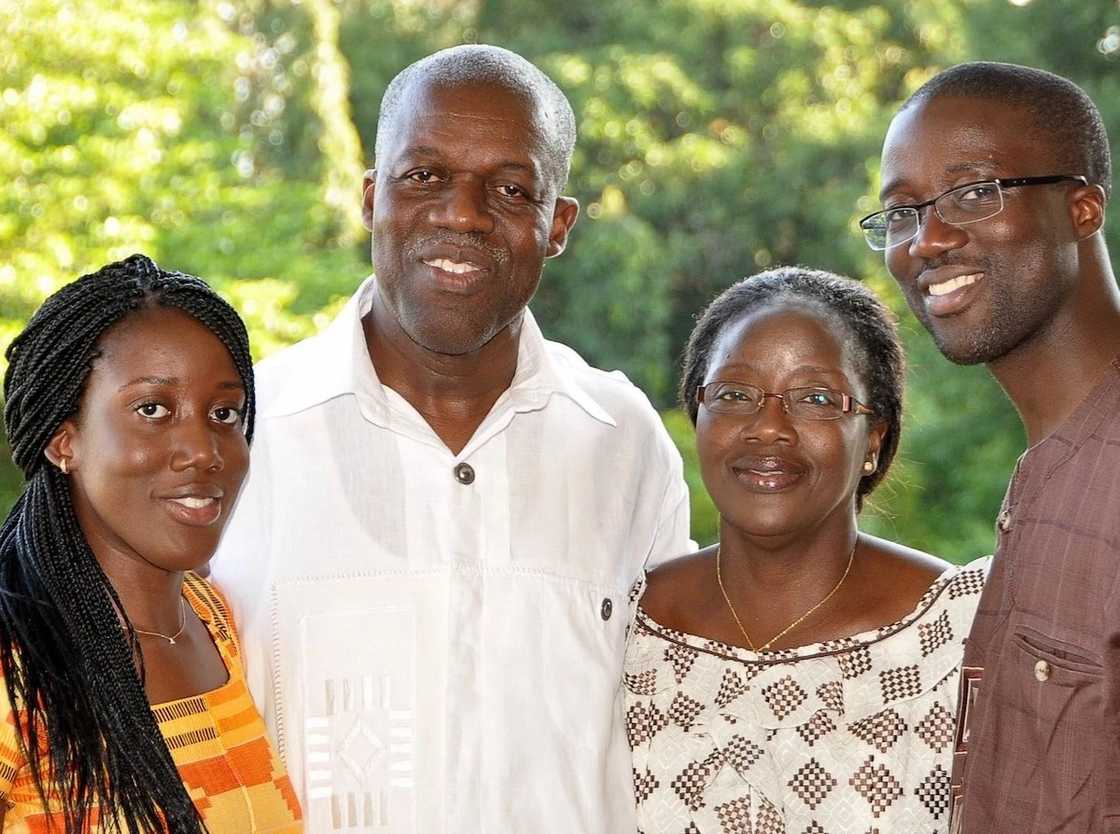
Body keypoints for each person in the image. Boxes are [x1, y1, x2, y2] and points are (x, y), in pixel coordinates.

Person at [210, 45, 690, 832]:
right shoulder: (241, 431)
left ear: (558, 223)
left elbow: (669, 719)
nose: (462, 215)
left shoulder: (622, 443)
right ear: (371, 196)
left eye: (509, 188)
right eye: (425, 176)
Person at [626, 266, 988, 833]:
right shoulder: (625, 629)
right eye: (735, 394)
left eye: (817, 398)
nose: (769, 428)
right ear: (698, 417)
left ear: (874, 436)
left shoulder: (960, 634)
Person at [861, 61, 1120, 831]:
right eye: (901, 213)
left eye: (976, 192)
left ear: (1081, 206)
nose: (927, 240)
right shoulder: (1051, 473)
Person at [0, 254, 301, 832]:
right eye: (153, 409)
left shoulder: (215, 622)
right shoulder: (17, 669)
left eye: (224, 413)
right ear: (64, 441)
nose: (203, 450)